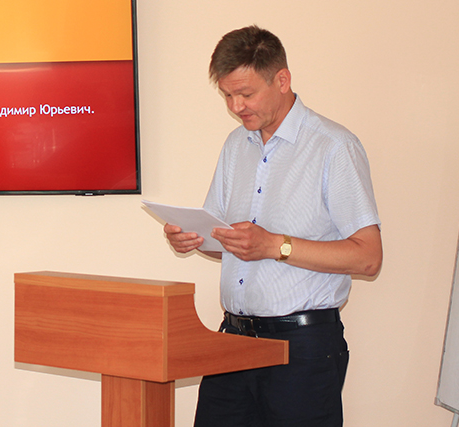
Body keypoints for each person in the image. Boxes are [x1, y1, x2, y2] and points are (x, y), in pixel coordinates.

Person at [163, 25, 382, 427]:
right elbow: (226, 242)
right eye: (227, 95)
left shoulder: (334, 146)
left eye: (246, 94)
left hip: (302, 348)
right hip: (232, 339)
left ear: (282, 80)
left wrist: (275, 246)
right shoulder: (236, 145)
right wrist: (193, 238)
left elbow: (368, 257)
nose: (236, 106)